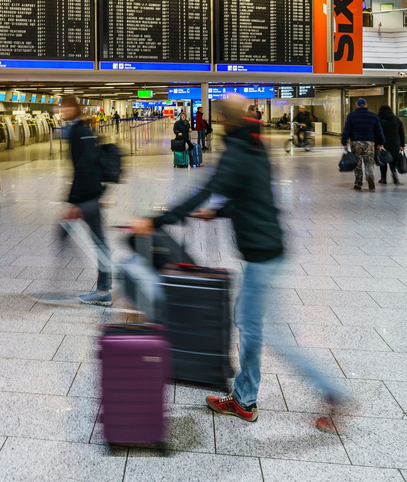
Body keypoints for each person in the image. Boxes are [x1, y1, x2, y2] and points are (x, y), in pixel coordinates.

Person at [131, 94, 345, 429]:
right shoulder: (255, 146)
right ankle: (244, 398)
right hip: (268, 248)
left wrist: (155, 222)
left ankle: (330, 392)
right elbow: (251, 196)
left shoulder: (237, 151)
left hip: (262, 255)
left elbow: (204, 189)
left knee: (267, 333)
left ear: (224, 120)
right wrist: (217, 212)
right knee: (248, 322)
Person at [59, 95, 112, 306]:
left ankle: (103, 290)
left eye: (65, 107)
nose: (62, 111)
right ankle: (102, 287)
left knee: (99, 243)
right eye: (61, 108)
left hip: (87, 196)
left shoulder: (78, 131)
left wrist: (76, 203)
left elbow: (83, 167)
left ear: (74, 108)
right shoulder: (83, 130)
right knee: (96, 241)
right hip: (91, 194)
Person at [342, 98, 385, 191]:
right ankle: (369, 176)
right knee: (369, 162)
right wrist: (381, 142)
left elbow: (347, 130)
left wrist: (344, 142)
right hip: (369, 142)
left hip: (356, 142)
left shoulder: (351, 116)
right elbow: (379, 130)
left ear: (356, 105)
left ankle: (358, 183)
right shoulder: (373, 116)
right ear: (366, 105)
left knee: (357, 164)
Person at [377, 105, 405, 185]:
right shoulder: (396, 119)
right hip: (395, 143)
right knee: (393, 160)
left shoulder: (378, 119)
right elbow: (401, 133)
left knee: (383, 161)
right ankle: (394, 175)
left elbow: (376, 132)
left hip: (382, 143)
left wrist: (377, 143)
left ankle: (383, 178)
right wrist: (402, 145)